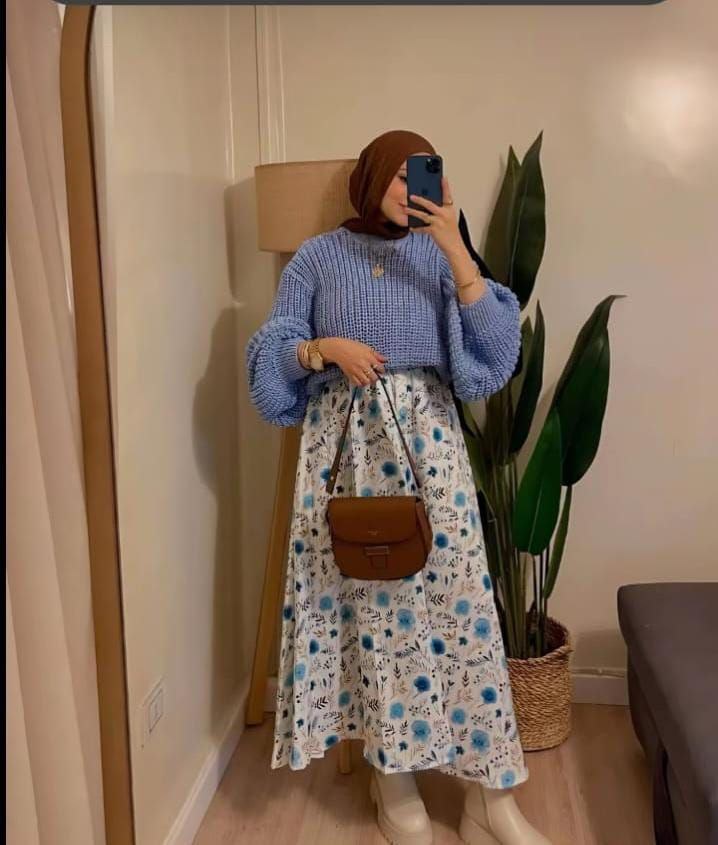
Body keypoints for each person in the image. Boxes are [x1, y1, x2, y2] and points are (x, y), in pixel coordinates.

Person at [245, 130, 551, 845]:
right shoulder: (318, 256)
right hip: (346, 454)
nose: (410, 187)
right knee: (372, 614)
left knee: (465, 611)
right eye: (399, 173)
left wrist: (455, 249)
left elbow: (495, 354)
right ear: (373, 174)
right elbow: (269, 355)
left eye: (423, 173)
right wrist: (321, 350)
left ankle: (491, 797)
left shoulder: (440, 251)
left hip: (431, 450)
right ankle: (394, 778)